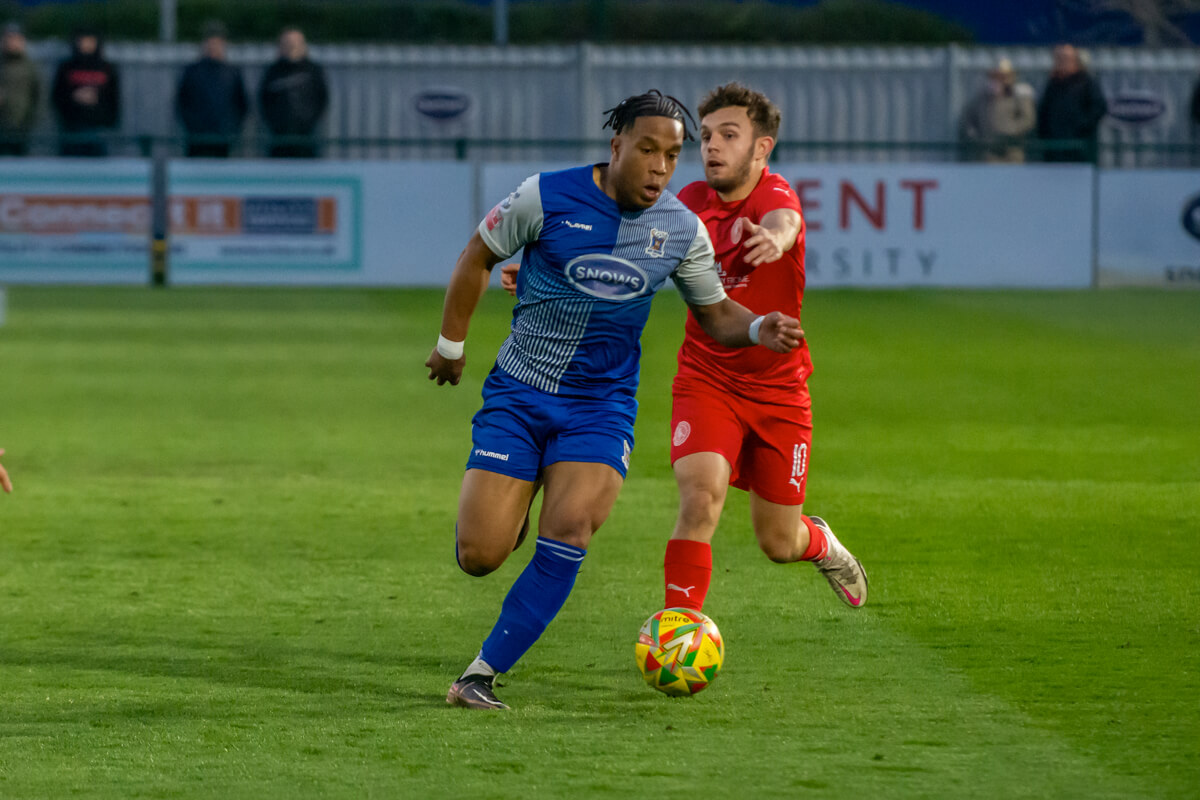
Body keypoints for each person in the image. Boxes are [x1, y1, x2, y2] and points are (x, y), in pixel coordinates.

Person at [426, 90, 803, 711]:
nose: (660, 166)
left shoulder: (681, 229)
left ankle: (480, 675)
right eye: (648, 149)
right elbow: (478, 257)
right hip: (520, 393)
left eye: (672, 155)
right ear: (617, 145)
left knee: (571, 527)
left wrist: (760, 327)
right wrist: (450, 344)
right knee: (480, 555)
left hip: (600, 407)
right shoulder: (544, 196)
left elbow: (715, 313)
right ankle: (508, 512)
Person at [662, 83, 868, 615]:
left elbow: (786, 220)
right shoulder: (687, 205)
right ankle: (678, 632)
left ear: (761, 148)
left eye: (729, 135)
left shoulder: (774, 196)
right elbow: (627, 242)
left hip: (779, 391)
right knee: (701, 497)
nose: (712, 146)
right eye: (706, 136)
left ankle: (818, 542)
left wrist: (776, 240)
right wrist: (551, 271)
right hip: (706, 380)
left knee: (779, 543)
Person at [176, 20, 248, 158]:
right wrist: (193, 127)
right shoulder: (192, 72)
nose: (213, 47)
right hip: (197, 139)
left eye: (217, 43)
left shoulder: (232, 73)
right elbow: (182, 102)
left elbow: (242, 104)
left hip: (224, 139)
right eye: (210, 43)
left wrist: (231, 129)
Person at [258, 27, 328, 158]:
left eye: (295, 43)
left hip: (306, 140)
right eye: (287, 43)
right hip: (279, 140)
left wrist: (307, 124)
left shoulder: (313, 71)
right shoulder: (273, 72)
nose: (291, 47)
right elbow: (264, 101)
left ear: (303, 46)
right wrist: (277, 125)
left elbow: (322, 99)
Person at [51, 28, 120, 157]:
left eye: (90, 41)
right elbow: (57, 95)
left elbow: (114, 98)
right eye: (83, 41)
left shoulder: (107, 68)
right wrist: (74, 98)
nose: (86, 45)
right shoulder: (66, 67)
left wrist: (108, 119)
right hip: (71, 128)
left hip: (98, 129)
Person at [1036, 44, 1107, 163]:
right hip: (1055, 149)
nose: (1061, 63)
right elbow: (1043, 112)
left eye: (1065, 59)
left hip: (1079, 148)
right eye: (1058, 59)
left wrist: (1082, 126)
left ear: (1075, 61)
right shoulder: (1053, 85)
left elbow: (1099, 108)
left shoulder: (1086, 82)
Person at [959, 58, 1036, 163]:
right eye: (996, 76)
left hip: (1012, 152)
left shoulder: (1019, 96)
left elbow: (1028, 120)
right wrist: (978, 139)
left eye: (1003, 76)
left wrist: (1010, 133)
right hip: (988, 153)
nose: (999, 80)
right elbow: (968, 120)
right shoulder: (982, 98)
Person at [0, 21, 40, 156]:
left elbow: (39, 98)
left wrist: (33, 125)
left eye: (16, 39)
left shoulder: (32, 67)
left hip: (23, 129)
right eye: (8, 38)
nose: (12, 43)